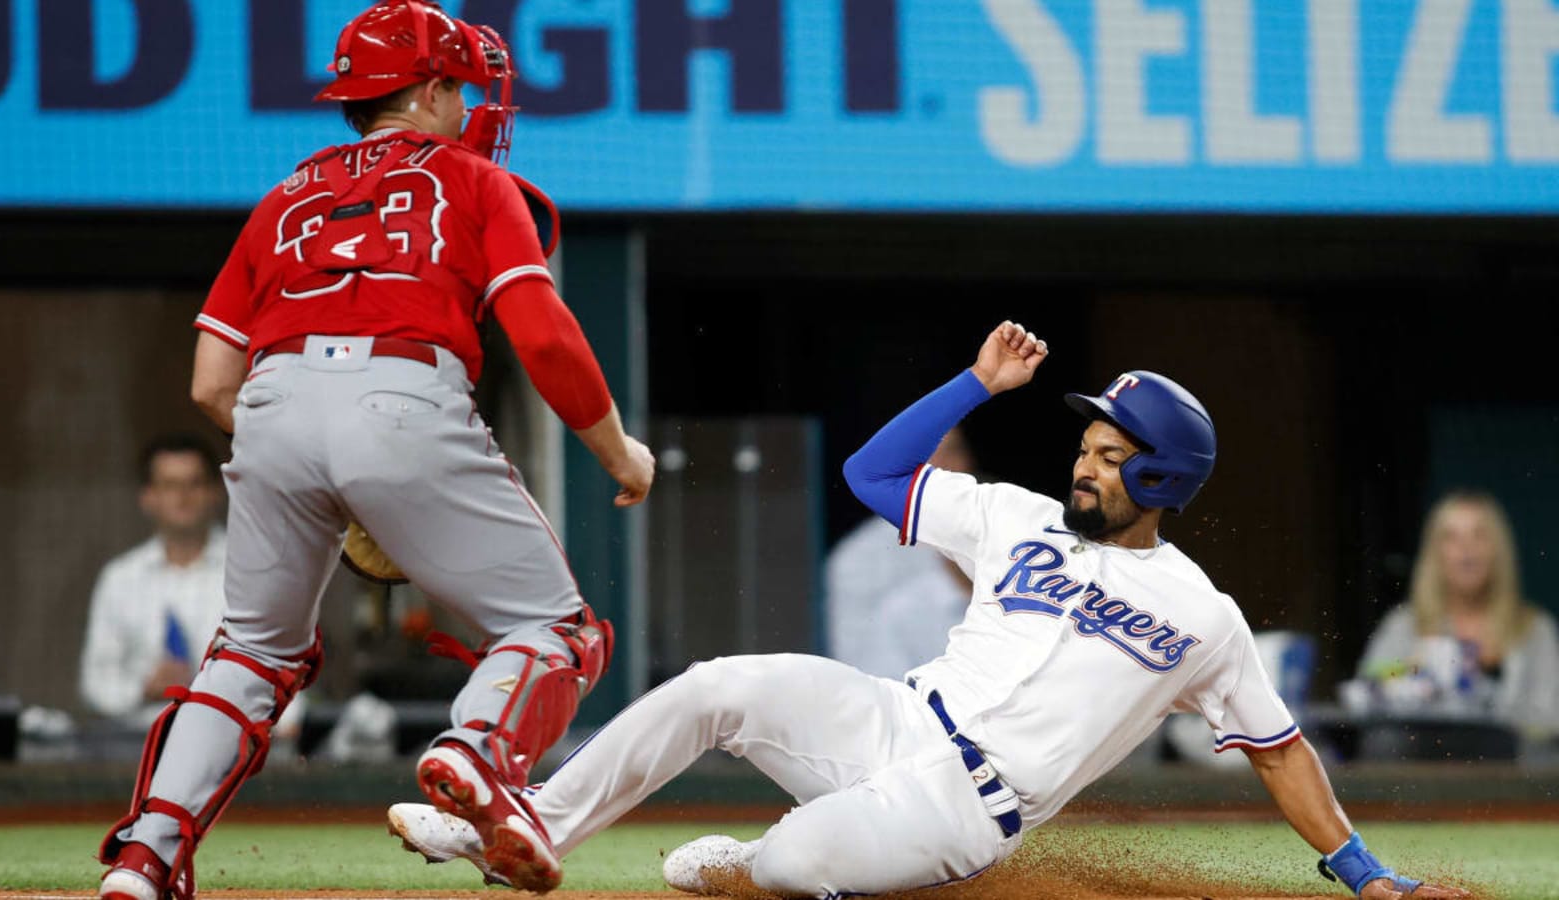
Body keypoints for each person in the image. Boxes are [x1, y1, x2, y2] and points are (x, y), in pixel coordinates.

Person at [384, 322, 1462, 899]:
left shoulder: (1202, 616)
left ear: (1165, 484)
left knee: (792, 865)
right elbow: (869, 472)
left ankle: (747, 873)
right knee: (720, 685)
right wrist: (973, 387)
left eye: (1109, 457)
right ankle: (516, 827)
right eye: (1085, 448)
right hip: (893, 718)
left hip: (966, 809)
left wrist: (1363, 874)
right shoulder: (1014, 514)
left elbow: (1277, 751)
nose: (1083, 466)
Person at [95, 3, 654, 899]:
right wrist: (618, 451)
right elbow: (543, 336)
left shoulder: (283, 196)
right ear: (430, 89)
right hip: (402, 388)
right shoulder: (472, 179)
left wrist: (310, 451)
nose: (469, 102)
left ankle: (145, 855)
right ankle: (475, 753)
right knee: (556, 631)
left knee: (249, 654)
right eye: (458, 85)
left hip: (269, 407)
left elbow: (210, 383)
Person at [1356, 492, 1559, 735]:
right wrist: (1411, 672)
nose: (1467, 548)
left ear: (1498, 550)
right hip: (1423, 768)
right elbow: (1366, 693)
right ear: (1435, 555)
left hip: (1511, 770)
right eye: (1451, 537)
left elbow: (1551, 717)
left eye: (1480, 535)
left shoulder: (1535, 628)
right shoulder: (1404, 625)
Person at [80, 436, 227, 725]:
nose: (182, 497)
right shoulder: (121, 577)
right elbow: (95, 681)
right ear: (148, 497)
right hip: (138, 745)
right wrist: (145, 689)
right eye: (170, 486)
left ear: (215, 492)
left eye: (193, 484)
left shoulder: (249, 572)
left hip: (230, 742)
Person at [825, 427, 974, 678]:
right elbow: (861, 673)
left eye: (953, 451)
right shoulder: (860, 558)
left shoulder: (995, 526)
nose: (943, 467)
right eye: (926, 456)